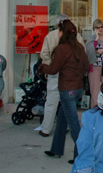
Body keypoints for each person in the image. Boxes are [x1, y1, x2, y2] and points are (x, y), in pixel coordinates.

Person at [38, 20, 89, 163]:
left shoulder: (62, 49)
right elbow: (86, 66)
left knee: (73, 124)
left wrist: (42, 68)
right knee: (62, 119)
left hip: (67, 89)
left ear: (62, 32)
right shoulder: (79, 47)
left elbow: (53, 69)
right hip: (78, 88)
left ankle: (81, 155)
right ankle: (56, 149)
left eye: (59, 30)